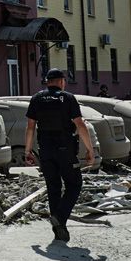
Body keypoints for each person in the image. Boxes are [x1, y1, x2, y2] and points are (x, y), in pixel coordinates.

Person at [25, 68, 95, 242]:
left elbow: (30, 127)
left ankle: (59, 230)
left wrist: (27, 151)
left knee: (53, 188)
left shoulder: (37, 98)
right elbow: (80, 124)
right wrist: (90, 150)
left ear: (48, 81)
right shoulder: (68, 98)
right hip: (65, 150)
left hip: (45, 151)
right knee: (74, 184)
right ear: (62, 81)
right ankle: (60, 217)